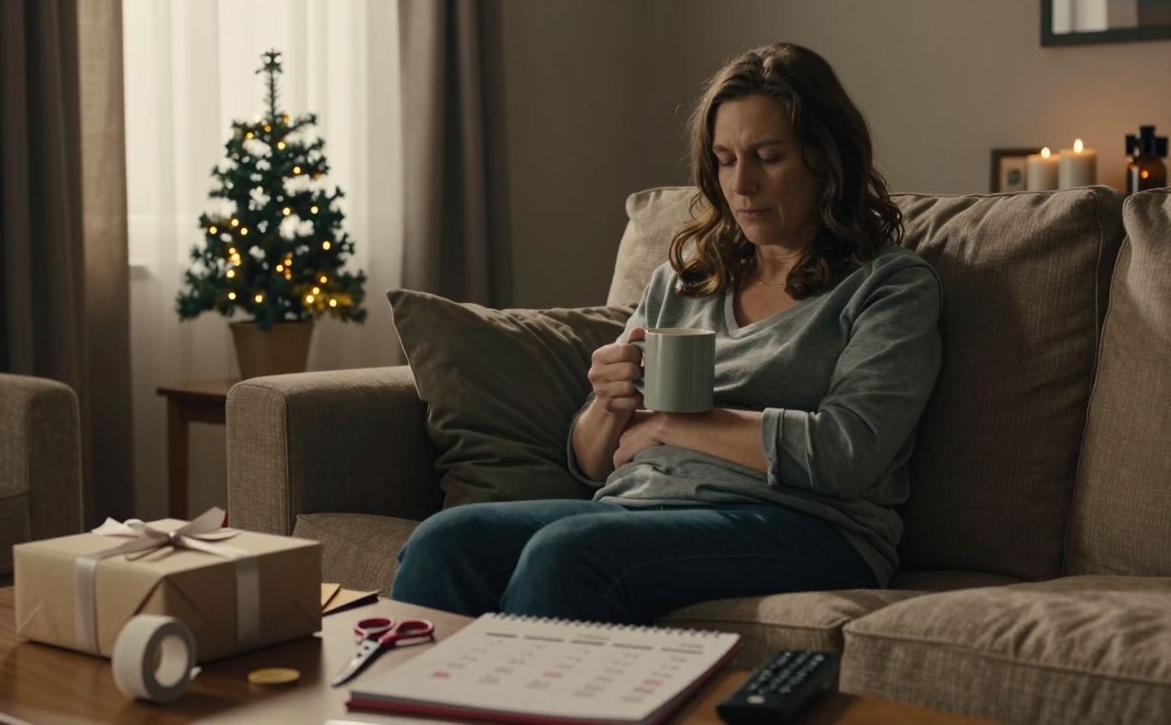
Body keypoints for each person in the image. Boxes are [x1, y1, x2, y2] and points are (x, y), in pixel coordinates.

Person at [391, 43, 942, 624]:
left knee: (569, 555)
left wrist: (673, 424)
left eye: (768, 157)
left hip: (807, 526)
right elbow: (591, 464)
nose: (742, 184)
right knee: (446, 541)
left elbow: (847, 453)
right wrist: (608, 402)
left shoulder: (888, 285)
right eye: (725, 160)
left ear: (827, 159)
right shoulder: (685, 281)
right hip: (638, 505)